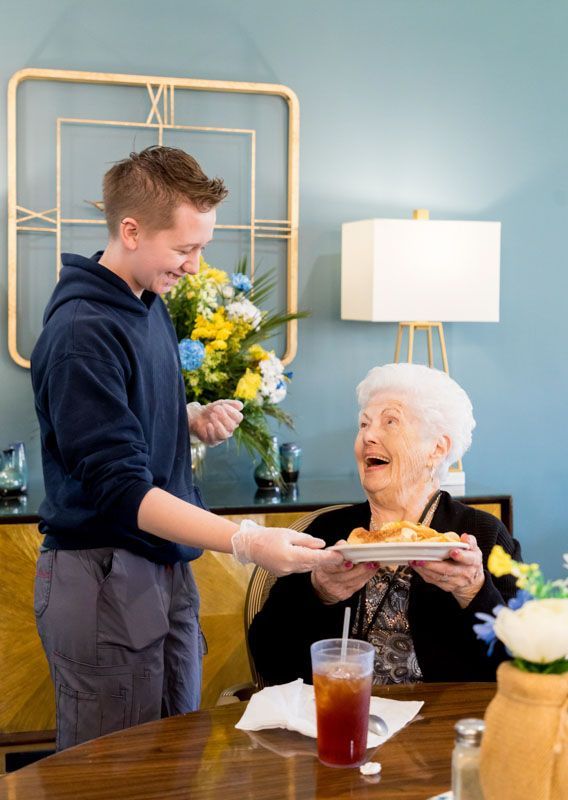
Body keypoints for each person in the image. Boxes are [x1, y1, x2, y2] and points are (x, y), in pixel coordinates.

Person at [31, 146, 341, 750]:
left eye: (201, 248)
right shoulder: (82, 333)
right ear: (130, 230)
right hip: (104, 576)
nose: (196, 268)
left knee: (175, 762)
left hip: (160, 569)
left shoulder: (144, 303)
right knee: (118, 780)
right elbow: (120, 489)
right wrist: (248, 541)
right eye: (184, 249)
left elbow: (126, 417)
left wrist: (189, 417)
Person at [249, 363, 522, 685]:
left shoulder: (481, 534)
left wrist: (473, 590)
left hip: (442, 723)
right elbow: (267, 656)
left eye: (390, 422)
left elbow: (520, 663)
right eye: (364, 424)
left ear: (438, 448)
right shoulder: (328, 531)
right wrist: (319, 593)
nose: (369, 435)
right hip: (342, 715)